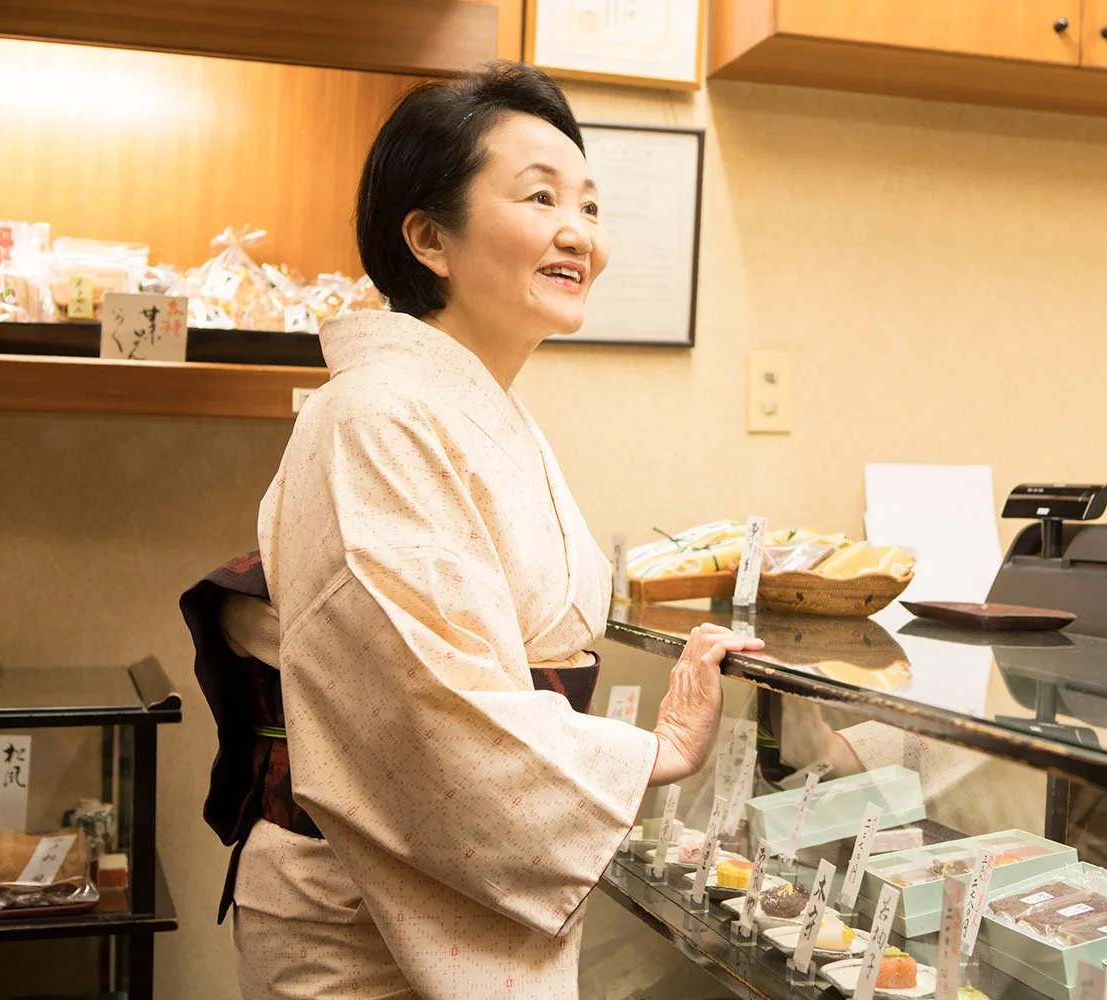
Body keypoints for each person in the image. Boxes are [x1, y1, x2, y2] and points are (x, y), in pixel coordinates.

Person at [220, 62, 763, 1000]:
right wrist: (655, 752)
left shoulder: (472, 413)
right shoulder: (375, 415)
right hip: (362, 922)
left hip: (436, 885)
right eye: (541, 196)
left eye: (590, 206)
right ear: (428, 237)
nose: (578, 233)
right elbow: (425, 702)